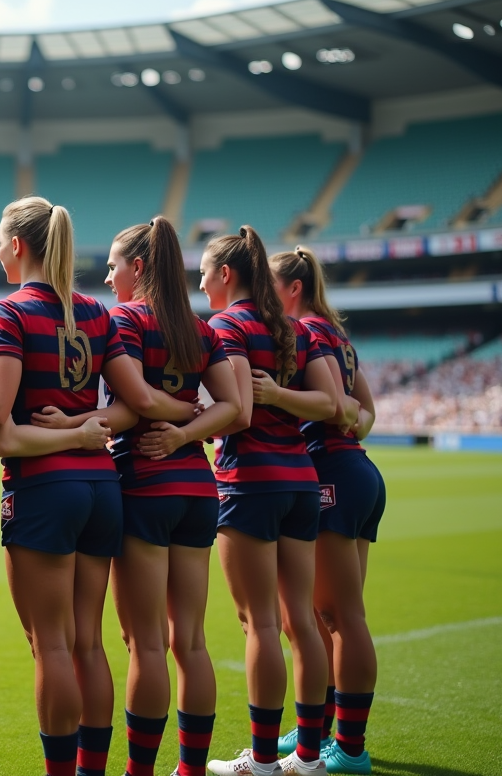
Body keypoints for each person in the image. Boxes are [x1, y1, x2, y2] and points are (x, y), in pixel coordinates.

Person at [0, 197, 199, 776]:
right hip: (102, 490)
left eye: (1, 242)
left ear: (19, 246)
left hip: (43, 492)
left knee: (51, 646)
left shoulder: (11, 312)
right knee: (89, 644)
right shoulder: (98, 313)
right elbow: (133, 407)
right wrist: (85, 429)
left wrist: (65, 438)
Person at [198, 227, 346, 776]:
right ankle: (307, 756)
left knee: (258, 624)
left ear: (226, 275)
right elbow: (333, 403)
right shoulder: (292, 328)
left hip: (249, 482)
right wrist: (282, 397)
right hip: (301, 482)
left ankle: (261, 761)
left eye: (205, 272)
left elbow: (234, 409)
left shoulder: (227, 325)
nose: (202, 282)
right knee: (301, 622)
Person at [100, 218, 241, 776]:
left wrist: (175, 424)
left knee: (147, 645)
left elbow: (135, 398)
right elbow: (235, 409)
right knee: (193, 643)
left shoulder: (127, 319)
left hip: (144, 487)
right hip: (198, 492)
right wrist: (191, 429)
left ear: (138, 267)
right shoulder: (200, 329)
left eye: (113, 266)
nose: (109, 277)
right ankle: (191, 769)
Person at [270, 246, 384, 775]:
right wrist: (349, 423)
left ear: (292, 288)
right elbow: (365, 414)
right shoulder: (338, 335)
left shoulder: (307, 332)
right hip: (355, 470)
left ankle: (351, 748)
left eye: (267, 284)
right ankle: (323, 729)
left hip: (333, 476)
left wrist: (272, 393)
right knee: (326, 615)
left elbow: (340, 407)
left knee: (338, 617)